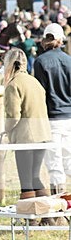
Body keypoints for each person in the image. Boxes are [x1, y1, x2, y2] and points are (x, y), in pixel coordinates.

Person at [3, 48, 51, 202]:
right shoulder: (34, 81)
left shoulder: (13, 85)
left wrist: (6, 130)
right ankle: (46, 216)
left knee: (26, 181)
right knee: (35, 176)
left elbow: (13, 116)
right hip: (42, 135)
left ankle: (31, 219)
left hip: (26, 138)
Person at [33, 23, 71, 194]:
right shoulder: (69, 60)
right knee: (69, 160)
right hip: (69, 116)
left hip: (52, 118)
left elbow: (41, 93)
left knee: (55, 163)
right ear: (60, 39)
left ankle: (60, 207)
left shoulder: (40, 61)